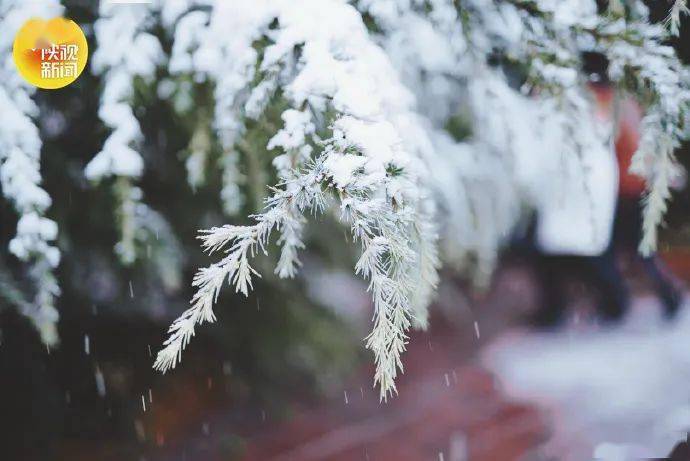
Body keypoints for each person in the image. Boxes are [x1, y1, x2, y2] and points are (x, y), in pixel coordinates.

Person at [530, 53, 683, 327]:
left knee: (619, 252)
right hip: (632, 189)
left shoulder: (601, 102)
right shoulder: (622, 100)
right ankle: (625, 303)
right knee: (628, 252)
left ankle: (620, 304)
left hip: (623, 191)